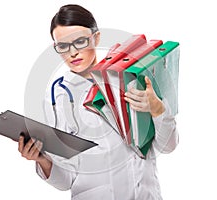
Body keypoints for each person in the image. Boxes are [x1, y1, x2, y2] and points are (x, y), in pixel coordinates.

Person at [18, 4, 178, 200]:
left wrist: (158, 108)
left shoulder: (131, 79)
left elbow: (168, 146)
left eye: (80, 41)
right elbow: (66, 180)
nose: (72, 52)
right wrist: (42, 159)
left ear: (96, 38)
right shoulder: (57, 100)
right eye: (63, 46)